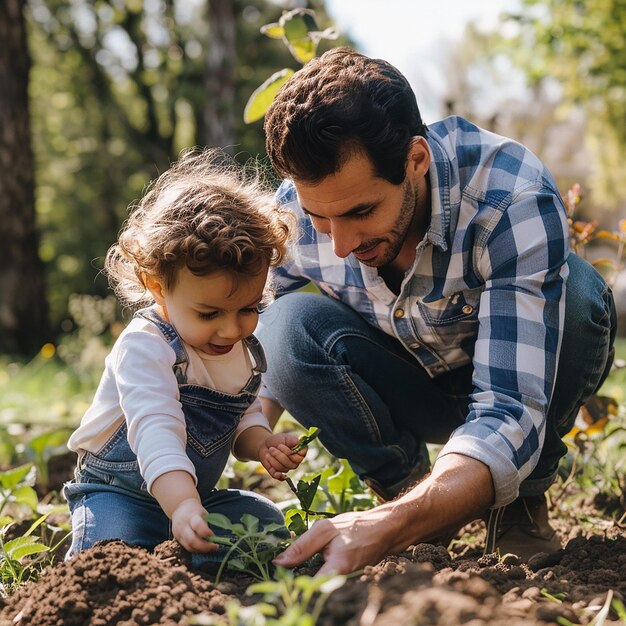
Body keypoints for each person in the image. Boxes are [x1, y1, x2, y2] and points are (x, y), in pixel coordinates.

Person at [254, 47, 617, 575]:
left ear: (415, 160)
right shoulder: (297, 212)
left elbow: (509, 406)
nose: (339, 244)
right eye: (321, 217)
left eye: (361, 212)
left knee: (581, 295)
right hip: (410, 386)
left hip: (515, 385)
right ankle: (411, 496)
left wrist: (387, 527)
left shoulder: (508, 197)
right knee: (283, 328)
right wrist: (239, 422)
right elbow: (235, 327)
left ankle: (520, 500)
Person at [64, 148, 306, 568]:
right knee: (109, 554)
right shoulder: (146, 345)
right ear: (157, 286)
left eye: (249, 308)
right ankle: (155, 549)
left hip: (192, 497)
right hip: (118, 491)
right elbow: (156, 429)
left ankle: (179, 548)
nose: (231, 330)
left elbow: (242, 417)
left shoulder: (243, 352)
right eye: (209, 314)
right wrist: (181, 506)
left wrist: (263, 442)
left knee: (266, 524)